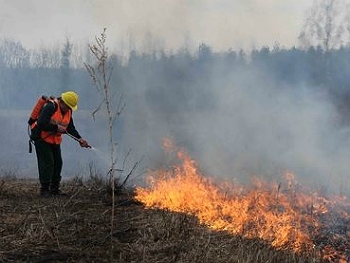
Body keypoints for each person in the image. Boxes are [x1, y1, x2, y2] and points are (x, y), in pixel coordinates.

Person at [32, 91, 90, 197]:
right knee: (48, 162)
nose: (69, 109)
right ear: (62, 102)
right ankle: (44, 190)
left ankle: (54, 189)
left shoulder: (68, 111)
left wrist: (80, 139)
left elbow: (70, 127)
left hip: (55, 140)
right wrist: (56, 128)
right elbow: (41, 123)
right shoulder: (51, 107)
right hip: (41, 138)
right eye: (68, 106)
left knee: (58, 163)